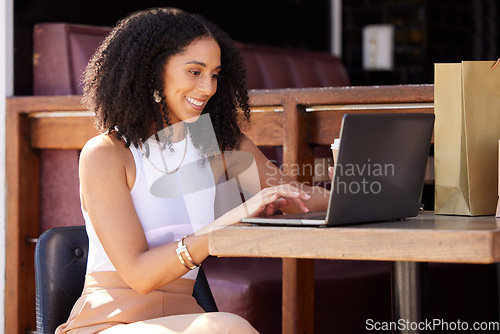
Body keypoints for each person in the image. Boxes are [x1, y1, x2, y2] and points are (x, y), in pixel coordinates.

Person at [56, 7, 330, 334]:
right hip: (109, 322)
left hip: (187, 317)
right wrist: (232, 219)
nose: (208, 87)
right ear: (151, 71)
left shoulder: (212, 141)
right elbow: (140, 276)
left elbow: (295, 197)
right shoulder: (107, 153)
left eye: (214, 74)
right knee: (228, 328)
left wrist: (378, 193)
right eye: (194, 71)